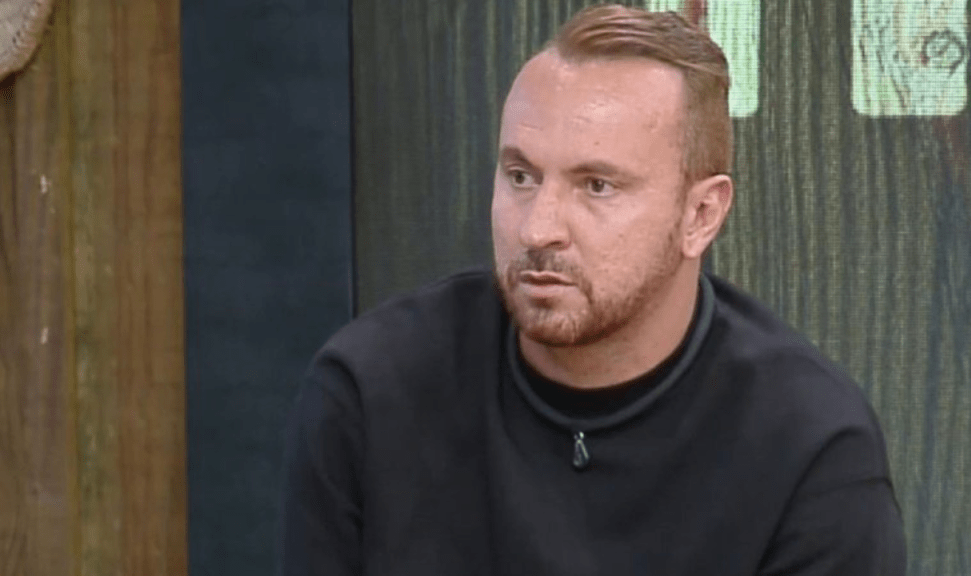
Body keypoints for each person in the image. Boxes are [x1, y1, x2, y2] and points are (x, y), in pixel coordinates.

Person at [279, 4, 906, 575]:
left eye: (597, 186)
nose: (538, 228)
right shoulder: (372, 391)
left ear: (701, 215)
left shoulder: (809, 448)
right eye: (520, 176)